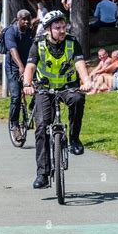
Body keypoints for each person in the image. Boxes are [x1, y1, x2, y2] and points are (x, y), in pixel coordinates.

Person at [22, 10, 92, 189]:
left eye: (64, 26)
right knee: (42, 126)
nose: (62, 30)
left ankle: (74, 138)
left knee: (77, 99)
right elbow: (30, 67)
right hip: (44, 89)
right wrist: (27, 84)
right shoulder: (38, 44)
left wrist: (86, 81)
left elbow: (80, 64)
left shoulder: (72, 42)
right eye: (57, 27)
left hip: (68, 87)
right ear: (48, 30)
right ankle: (42, 174)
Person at [4, 10, 34, 142]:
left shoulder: (30, 31)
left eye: (28, 19)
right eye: (24, 19)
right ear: (18, 19)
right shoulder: (11, 32)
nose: (26, 22)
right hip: (14, 68)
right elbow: (12, 50)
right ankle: (15, 125)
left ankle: (33, 108)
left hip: (29, 66)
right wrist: (21, 67)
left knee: (41, 90)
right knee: (16, 96)